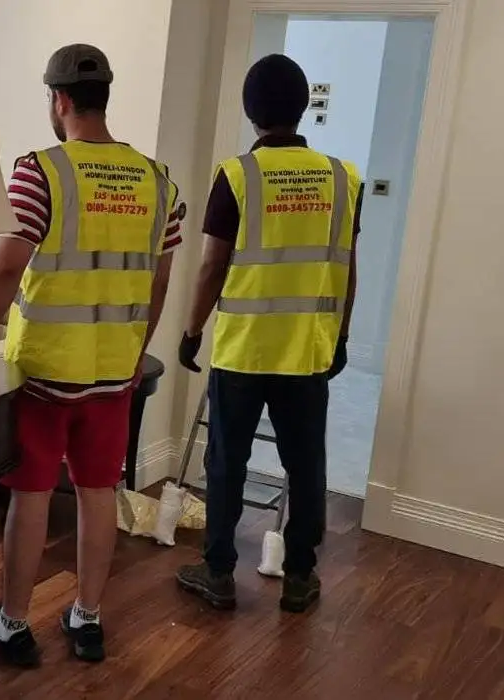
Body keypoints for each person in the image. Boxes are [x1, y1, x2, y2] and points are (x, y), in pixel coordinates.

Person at [0, 43, 183, 666]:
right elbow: (159, 279)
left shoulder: (42, 171)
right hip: (114, 372)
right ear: (105, 95)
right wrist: (137, 348)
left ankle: (15, 625)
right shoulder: (159, 181)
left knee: (30, 494)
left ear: (58, 100)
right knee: (98, 491)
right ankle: (87, 619)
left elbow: (2, 270)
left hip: (45, 371)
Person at [174, 54, 363, 614]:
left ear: (250, 112)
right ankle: (301, 576)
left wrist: (191, 330)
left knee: (226, 462)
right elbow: (349, 266)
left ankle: (218, 572)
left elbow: (212, 265)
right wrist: (342, 335)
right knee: (306, 464)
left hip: (244, 347)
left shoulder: (237, 175)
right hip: (308, 348)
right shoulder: (342, 176)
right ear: (302, 107)